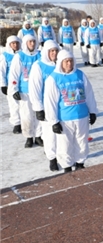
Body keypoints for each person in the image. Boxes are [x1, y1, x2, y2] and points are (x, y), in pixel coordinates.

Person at [44, 50, 97, 173]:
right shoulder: (54, 79)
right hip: (65, 119)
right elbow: (50, 102)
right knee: (65, 144)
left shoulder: (80, 75)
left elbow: (89, 94)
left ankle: (80, 163)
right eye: (66, 61)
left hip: (82, 116)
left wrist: (93, 111)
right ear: (61, 63)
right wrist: (53, 121)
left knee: (82, 142)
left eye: (71, 61)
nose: (69, 64)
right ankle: (67, 167)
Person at [28, 40, 60, 171]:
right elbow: (34, 88)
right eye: (51, 51)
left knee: (61, 133)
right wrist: (38, 107)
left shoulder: (60, 64)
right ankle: (52, 157)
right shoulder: (38, 66)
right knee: (49, 133)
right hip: (46, 106)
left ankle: (63, 155)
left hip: (61, 106)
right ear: (46, 52)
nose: (54, 53)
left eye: (56, 51)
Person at [8, 34, 42, 148]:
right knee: (26, 115)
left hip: (38, 91)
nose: (32, 44)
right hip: (24, 91)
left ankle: (38, 136)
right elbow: (14, 75)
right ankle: (28, 137)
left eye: (33, 41)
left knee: (38, 114)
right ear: (26, 43)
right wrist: (14, 90)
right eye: (30, 42)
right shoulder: (20, 56)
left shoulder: (40, 55)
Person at [1, 36, 22, 134]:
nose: (15, 45)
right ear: (9, 45)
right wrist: (3, 84)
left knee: (24, 104)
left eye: (17, 43)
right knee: (14, 104)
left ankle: (26, 121)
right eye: (13, 43)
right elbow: (1, 71)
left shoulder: (22, 55)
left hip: (22, 84)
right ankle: (17, 123)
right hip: (11, 84)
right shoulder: (5, 56)